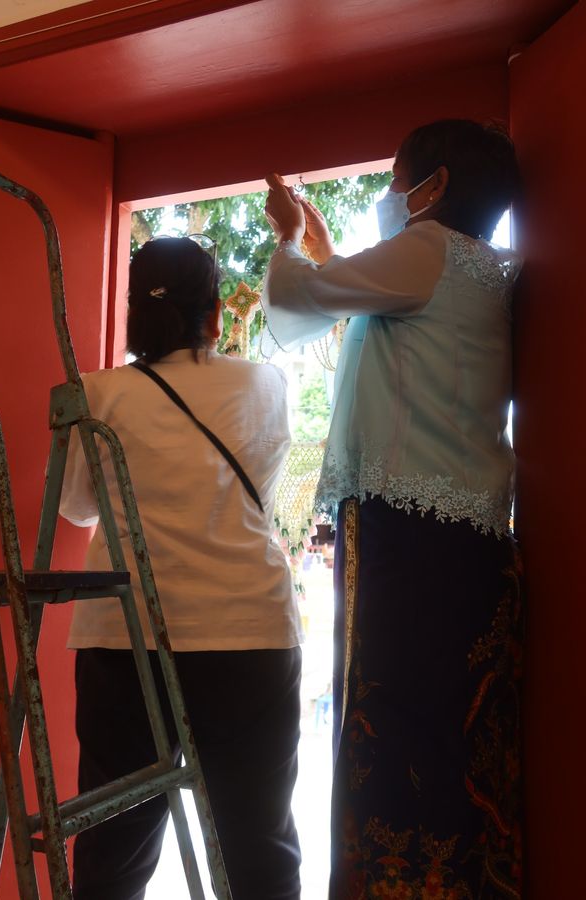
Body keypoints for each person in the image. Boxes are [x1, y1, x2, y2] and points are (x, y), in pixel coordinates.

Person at [262, 119, 524, 899]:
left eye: (398, 179)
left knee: (387, 728)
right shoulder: (472, 265)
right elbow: (366, 297)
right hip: (466, 541)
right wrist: (325, 255)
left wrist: (286, 239)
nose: (390, 193)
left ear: (434, 186)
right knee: (448, 736)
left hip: (403, 535)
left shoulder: (426, 250)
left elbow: (297, 300)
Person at [60, 236, 304, 900]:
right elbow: (260, 491)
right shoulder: (265, 384)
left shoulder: (97, 394)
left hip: (125, 634)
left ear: (135, 313)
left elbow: (76, 507)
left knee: (114, 849)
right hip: (248, 631)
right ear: (215, 313)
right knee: (259, 846)